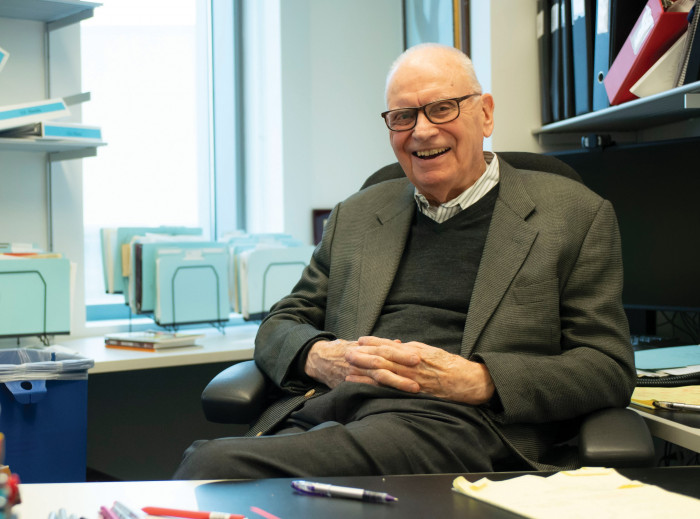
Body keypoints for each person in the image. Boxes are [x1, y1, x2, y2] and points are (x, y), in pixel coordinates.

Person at [174, 43, 635, 480]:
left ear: (486, 113)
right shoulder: (357, 214)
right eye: (403, 117)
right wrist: (320, 355)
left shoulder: (574, 214)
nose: (422, 131)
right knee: (232, 475)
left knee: (214, 468)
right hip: (334, 413)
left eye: (442, 108)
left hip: (458, 425)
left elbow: (607, 368)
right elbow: (280, 324)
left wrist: (481, 380)